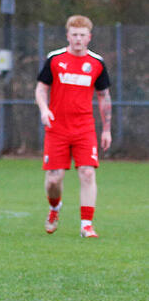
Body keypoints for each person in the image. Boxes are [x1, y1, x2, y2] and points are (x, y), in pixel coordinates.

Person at [35, 15, 111, 237]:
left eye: (82, 35)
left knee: (87, 173)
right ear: (68, 36)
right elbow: (41, 88)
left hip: (84, 128)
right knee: (53, 180)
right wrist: (44, 109)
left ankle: (86, 224)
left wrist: (106, 129)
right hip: (57, 128)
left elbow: (104, 96)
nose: (78, 39)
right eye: (74, 34)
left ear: (89, 37)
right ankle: (54, 208)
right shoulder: (55, 59)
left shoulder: (97, 63)